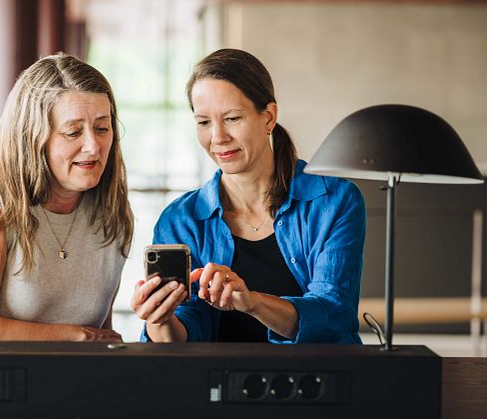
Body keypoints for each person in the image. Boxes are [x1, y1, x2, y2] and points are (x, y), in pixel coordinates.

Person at [131, 49, 366, 344]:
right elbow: (184, 334)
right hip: (213, 385)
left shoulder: (334, 201)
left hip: (315, 382)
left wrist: (251, 301)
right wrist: (159, 319)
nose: (217, 137)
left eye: (231, 118)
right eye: (203, 122)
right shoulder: (181, 219)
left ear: (268, 117)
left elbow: (332, 316)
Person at [0, 53, 133, 342]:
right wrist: (78, 338)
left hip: (59, 382)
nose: (93, 146)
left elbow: (100, 333)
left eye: (102, 128)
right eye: (72, 132)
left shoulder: (112, 212)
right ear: (32, 137)